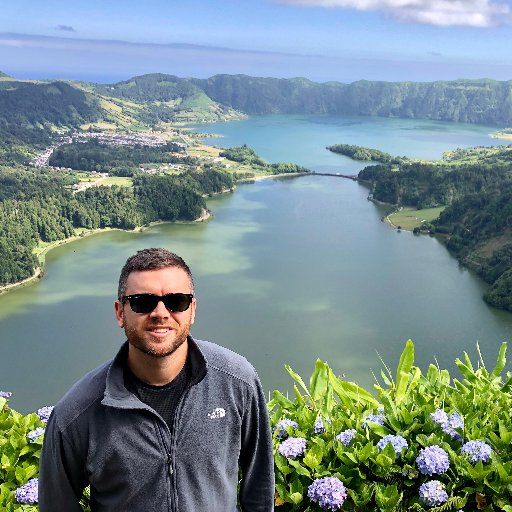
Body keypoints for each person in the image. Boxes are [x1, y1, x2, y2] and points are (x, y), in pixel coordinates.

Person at [39, 247, 275, 511]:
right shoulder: (77, 415)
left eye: (177, 301)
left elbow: (260, 491)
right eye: (142, 301)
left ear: (192, 310)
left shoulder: (237, 383)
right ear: (120, 312)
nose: (161, 313)